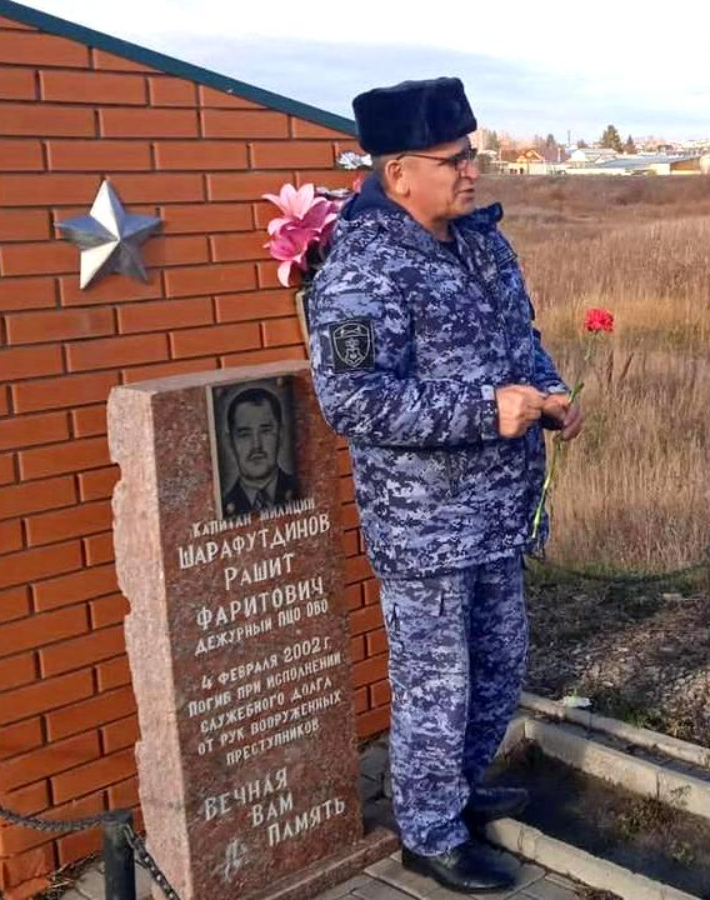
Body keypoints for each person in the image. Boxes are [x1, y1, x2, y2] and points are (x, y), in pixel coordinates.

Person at [306, 77, 583, 893]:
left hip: (500, 507)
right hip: (426, 524)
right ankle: (428, 831)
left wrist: (550, 391)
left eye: (472, 154)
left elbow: (519, 340)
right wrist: (483, 410)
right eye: (456, 158)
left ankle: (457, 791)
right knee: (437, 683)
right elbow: (352, 401)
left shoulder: (481, 242)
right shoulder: (361, 267)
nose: (473, 170)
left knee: (499, 666)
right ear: (399, 175)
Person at [219, 386, 300, 517]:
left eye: (265, 431)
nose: (256, 445)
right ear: (230, 443)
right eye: (244, 434)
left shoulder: (299, 488)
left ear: (281, 434)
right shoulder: (224, 506)